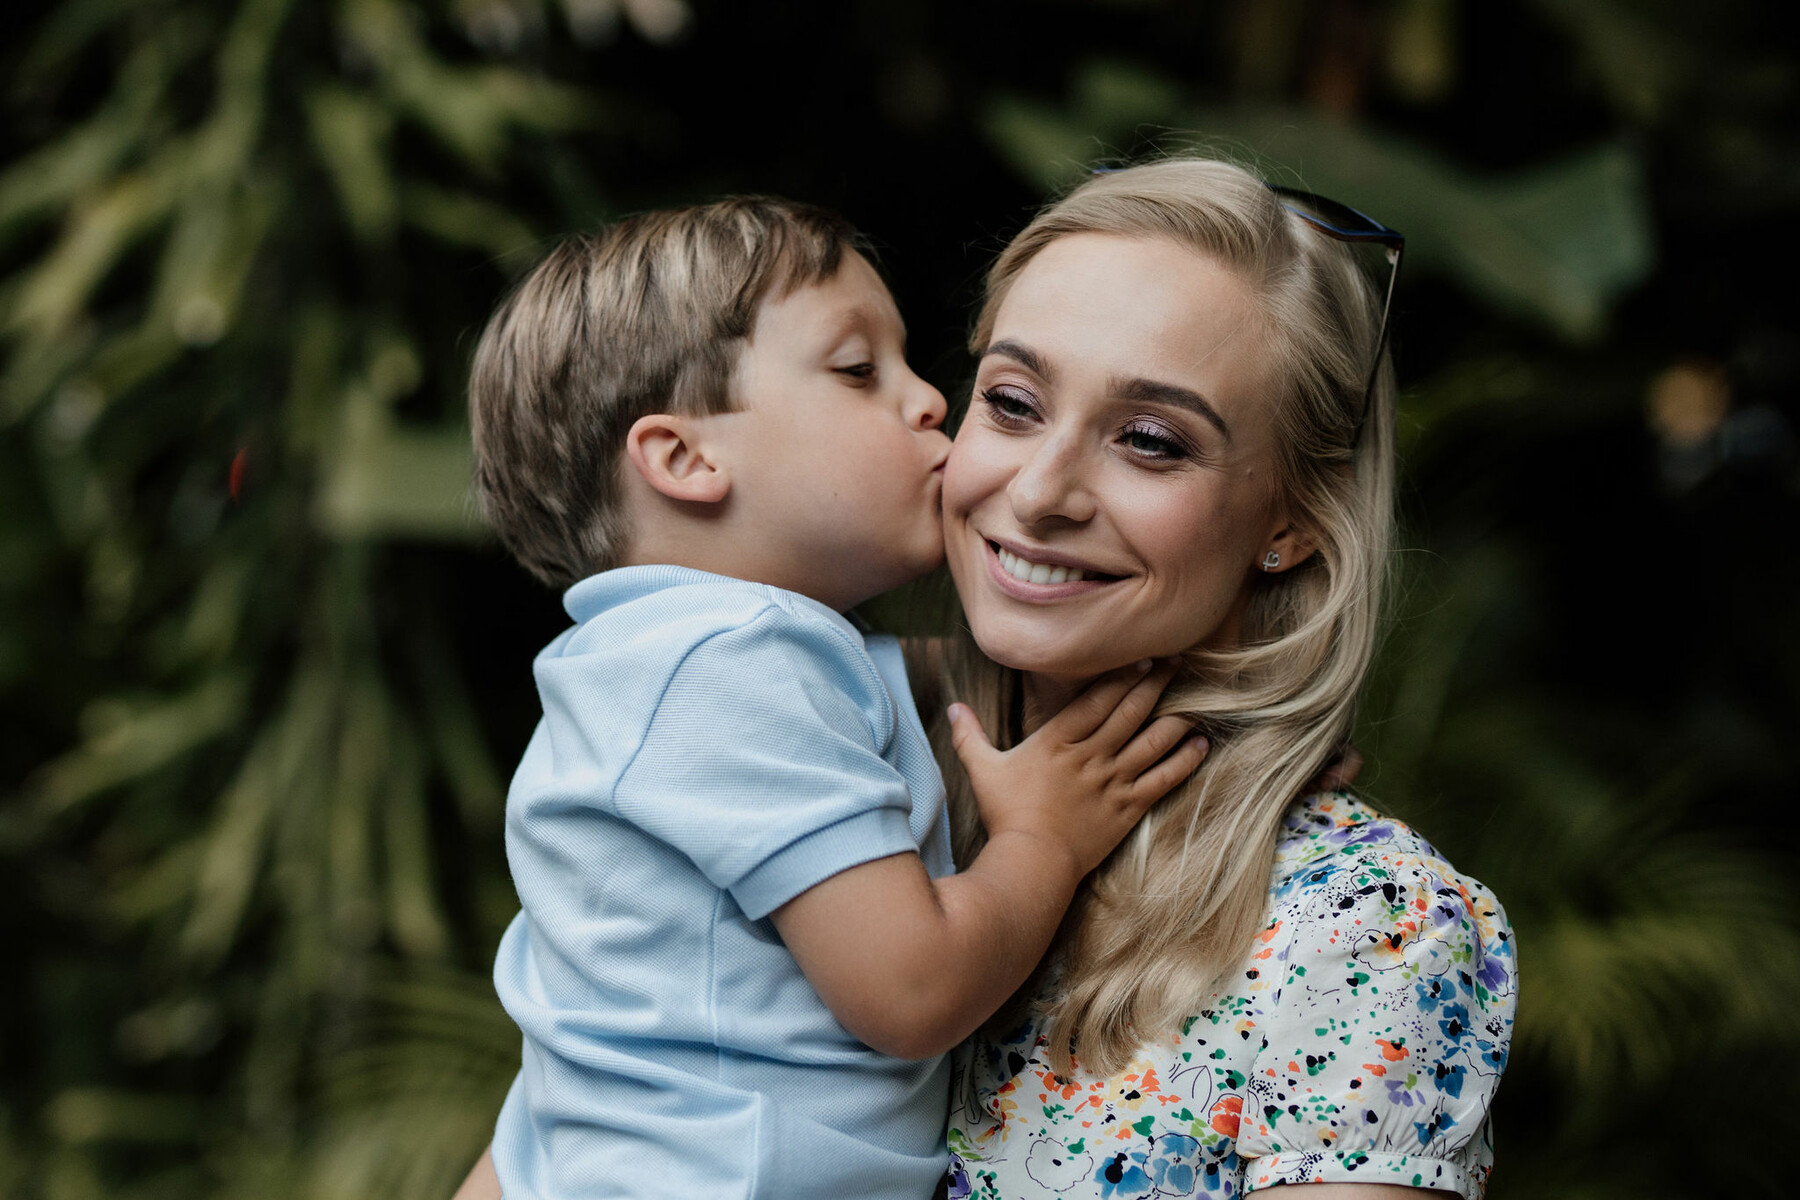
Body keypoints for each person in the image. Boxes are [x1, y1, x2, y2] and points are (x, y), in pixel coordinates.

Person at [463, 197, 1210, 1200]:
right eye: (859, 371)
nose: (930, 401)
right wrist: (1047, 838)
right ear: (685, 459)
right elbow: (910, 990)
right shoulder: (730, 671)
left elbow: (952, 683)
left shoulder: (681, 663)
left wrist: (1208, 704)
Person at [930, 158, 1516, 1198]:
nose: (1039, 489)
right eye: (1013, 403)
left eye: (1150, 441)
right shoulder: (851, 790)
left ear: (1291, 521)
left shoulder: (1363, 920)